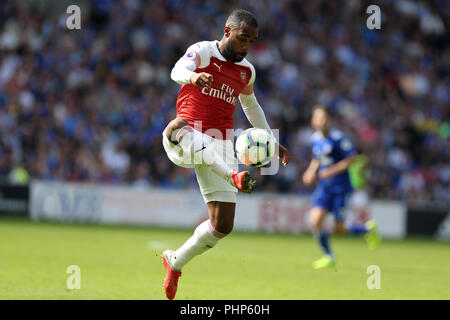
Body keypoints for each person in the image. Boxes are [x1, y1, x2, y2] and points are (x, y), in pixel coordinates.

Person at [161, 9, 291, 299]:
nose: (246, 46)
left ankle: (175, 261)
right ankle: (233, 175)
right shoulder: (203, 52)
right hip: (184, 136)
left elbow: (251, 106)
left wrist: (271, 139)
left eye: (252, 42)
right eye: (242, 38)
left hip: (219, 143)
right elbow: (176, 71)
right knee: (180, 125)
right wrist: (194, 78)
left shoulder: (247, 70)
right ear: (227, 31)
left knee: (222, 225)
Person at [302, 105, 379, 269]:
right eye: (318, 117)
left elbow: (352, 158)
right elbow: (316, 158)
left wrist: (331, 170)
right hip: (324, 187)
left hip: (340, 187)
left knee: (339, 229)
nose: (321, 120)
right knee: (315, 220)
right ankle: (329, 256)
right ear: (313, 121)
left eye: (324, 117)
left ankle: (366, 231)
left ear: (328, 120)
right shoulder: (315, 138)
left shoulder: (338, 138)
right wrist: (310, 172)